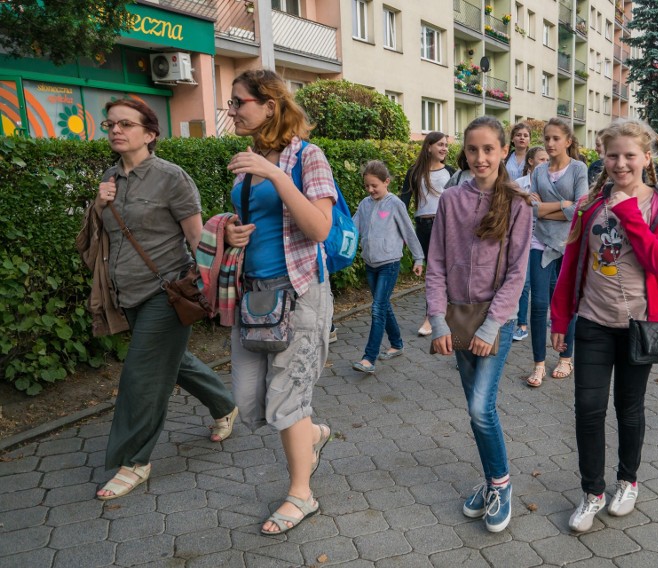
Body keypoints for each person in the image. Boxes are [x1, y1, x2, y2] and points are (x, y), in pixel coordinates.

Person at [81, 99, 237, 500]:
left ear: (149, 134)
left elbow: (196, 237)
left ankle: (134, 461)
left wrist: (207, 287)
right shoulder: (109, 177)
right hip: (126, 293)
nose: (116, 130)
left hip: (166, 292)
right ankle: (224, 405)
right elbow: (98, 237)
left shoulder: (172, 178)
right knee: (174, 360)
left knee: (142, 374)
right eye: (110, 123)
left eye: (126, 124)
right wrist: (99, 205)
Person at [550, 118, 658, 533]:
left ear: (646, 157)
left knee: (629, 409)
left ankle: (627, 481)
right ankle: (592, 491)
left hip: (639, 327)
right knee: (588, 410)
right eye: (613, 155)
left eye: (630, 155)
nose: (621, 163)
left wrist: (628, 209)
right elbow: (571, 264)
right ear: (602, 158)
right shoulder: (590, 205)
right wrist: (560, 318)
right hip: (593, 322)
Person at [224, 69, 333, 536]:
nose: (232, 111)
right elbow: (251, 220)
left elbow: (319, 228)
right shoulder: (249, 159)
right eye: (231, 103)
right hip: (253, 293)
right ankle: (311, 434)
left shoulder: (308, 157)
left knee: (286, 400)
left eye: (239, 102)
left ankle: (301, 495)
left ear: (269, 105)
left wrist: (274, 173)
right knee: (250, 402)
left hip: (300, 292)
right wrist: (231, 230)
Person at [427, 115, 532, 533]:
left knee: (479, 408)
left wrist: (491, 328)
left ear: (504, 150)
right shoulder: (451, 199)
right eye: (473, 149)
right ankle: (492, 482)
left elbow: (517, 273)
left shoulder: (520, 202)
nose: (480, 157)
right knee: (477, 413)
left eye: (489, 149)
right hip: (457, 317)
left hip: (495, 321)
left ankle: (501, 485)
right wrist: (438, 322)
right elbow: (435, 262)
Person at [525, 117, 588, 388]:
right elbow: (533, 209)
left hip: (568, 244)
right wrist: (563, 204)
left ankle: (566, 357)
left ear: (568, 141)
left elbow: (580, 210)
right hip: (540, 242)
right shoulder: (538, 171)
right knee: (538, 304)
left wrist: (549, 207)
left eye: (555, 139)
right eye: (547, 138)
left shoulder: (579, 169)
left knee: (566, 303)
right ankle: (538, 363)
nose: (550, 143)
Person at [352, 160, 425, 374]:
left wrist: (418, 258)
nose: (370, 189)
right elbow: (352, 226)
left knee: (377, 309)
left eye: (374, 185)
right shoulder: (365, 204)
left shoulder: (395, 204)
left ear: (387, 182)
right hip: (370, 263)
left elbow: (408, 232)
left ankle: (368, 358)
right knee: (383, 305)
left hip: (389, 264)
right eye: (367, 186)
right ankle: (397, 344)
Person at [400, 132, 454, 337]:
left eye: (446, 145)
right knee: (433, 274)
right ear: (428, 146)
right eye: (440, 144)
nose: (445, 149)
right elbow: (403, 203)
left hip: (446, 225)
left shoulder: (451, 172)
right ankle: (434, 314)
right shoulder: (414, 172)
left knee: (446, 272)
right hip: (423, 226)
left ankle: (434, 315)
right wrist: (402, 232)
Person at [513, 146, 549, 342]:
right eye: (542, 159)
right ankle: (521, 324)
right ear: (531, 162)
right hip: (522, 239)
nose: (546, 163)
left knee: (543, 284)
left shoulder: (551, 184)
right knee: (523, 283)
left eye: (548, 160)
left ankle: (544, 318)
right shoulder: (519, 184)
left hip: (544, 240)